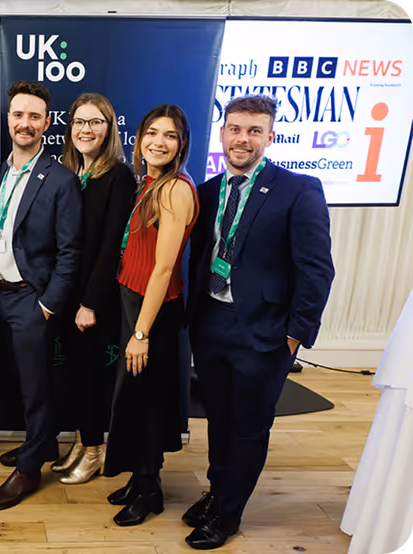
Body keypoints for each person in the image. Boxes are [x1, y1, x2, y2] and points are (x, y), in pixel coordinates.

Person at [185, 94, 334, 549]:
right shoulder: (207, 191)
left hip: (266, 333)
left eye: (254, 131)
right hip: (211, 323)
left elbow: (316, 270)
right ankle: (218, 491)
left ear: (270, 136)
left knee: (249, 426)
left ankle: (228, 515)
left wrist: (295, 335)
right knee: (219, 419)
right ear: (223, 133)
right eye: (235, 129)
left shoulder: (298, 189)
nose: (243, 139)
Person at [0, 80, 82, 511]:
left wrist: (47, 305)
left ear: (46, 122)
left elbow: (71, 251)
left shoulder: (60, 179)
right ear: (9, 119)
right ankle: (41, 445)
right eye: (18, 114)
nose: (25, 123)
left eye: (34, 116)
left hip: (32, 298)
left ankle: (28, 470)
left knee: (36, 388)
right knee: (24, 381)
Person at [103, 105, 198, 527]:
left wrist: (141, 332)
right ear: (140, 138)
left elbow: (164, 268)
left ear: (182, 144)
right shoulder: (149, 182)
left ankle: (149, 491)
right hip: (134, 301)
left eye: (170, 135)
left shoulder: (175, 189)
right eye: (152, 133)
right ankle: (142, 480)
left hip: (152, 310)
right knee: (135, 398)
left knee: (146, 402)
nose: (159, 142)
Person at [54, 93, 135, 484]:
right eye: (79, 122)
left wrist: (90, 302)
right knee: (72, 377)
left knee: (90, 379)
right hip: (66, 294)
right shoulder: (70, 173)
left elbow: (111, 246)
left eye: (95, 122)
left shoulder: (118, 176)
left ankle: (94, 451)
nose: (86, 130)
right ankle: (81, 442)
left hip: (93, 300)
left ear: (109, 128)